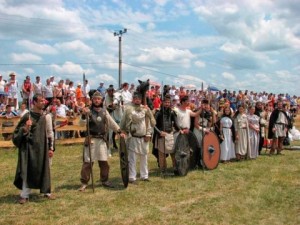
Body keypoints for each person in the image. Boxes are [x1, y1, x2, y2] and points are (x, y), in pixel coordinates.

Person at [78, 91, 125, 191]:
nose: (96, 100)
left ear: (101, 100)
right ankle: (84, 183)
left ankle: (105, 180)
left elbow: (111, 122)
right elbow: (81, 125)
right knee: (88, 163)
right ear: (92, 100)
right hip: (91, 140)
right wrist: (83, 115)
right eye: (95, 99)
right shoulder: (87, 111)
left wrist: (119, 131)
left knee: (104, 162)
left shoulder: (104, 111)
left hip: (102, 140)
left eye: (98, 99)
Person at [13, 94, 55, 204]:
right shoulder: (28, 116)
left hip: (43, 147)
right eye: (41, 101)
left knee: (45, 169)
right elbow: (16, 134)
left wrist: (51, 148)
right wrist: (25, 128)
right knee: (27, 170)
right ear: (34, 102)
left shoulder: (46, 116)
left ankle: (47, 192)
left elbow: (50, 133)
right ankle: (25, 195)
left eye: (44, 101)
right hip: (29, 147)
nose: (43, 103)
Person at [120, 92, 156, 184]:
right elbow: (125, 121)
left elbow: (149, 122)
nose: (137, 100)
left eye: (139, 99)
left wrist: (148, 134)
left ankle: (144, 176)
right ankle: (132, 177)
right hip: (133, 137)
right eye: (135, 98)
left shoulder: (145, 109)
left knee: (144, 157)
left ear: (141, 100)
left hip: (144, 137)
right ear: (133, 99)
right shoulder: (129, 109)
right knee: (132, 158)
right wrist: (122, 131)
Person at [153, 94, 180, 174]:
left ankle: (175, 167)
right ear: (162, 102)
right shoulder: (158, 112)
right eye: (166, 102)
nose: (167, 104)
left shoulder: (172, 112)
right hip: (161, 135)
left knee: (173, 152)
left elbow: (176, 123)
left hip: (169, 134)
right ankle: (163, 169)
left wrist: (180, 130)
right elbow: (153, 124)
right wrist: (159, 132)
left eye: (168, 102)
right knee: (161, 154)